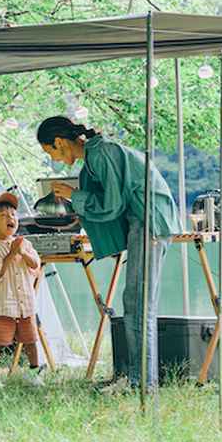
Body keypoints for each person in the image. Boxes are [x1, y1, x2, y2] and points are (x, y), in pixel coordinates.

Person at [37, 115, 178, 391]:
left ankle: (142, 382)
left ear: (59, 142)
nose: (53, 158)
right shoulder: (94, 156)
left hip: (150, 221)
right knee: (136, 302)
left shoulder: (100, 154)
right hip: (142, 222)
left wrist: (73, 195)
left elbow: (112, 204)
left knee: (138, 303)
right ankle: (139, 378)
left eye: (50, 152)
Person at [0, 191, 45, 387]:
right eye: (3, 215)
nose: (10, 218)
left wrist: (23, 252)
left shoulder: (24, 243)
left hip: (25, 302)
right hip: (4, 304)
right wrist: (12, 253)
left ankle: (34, 372)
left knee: (31, 338)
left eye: (13, 215)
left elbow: (36, 265)